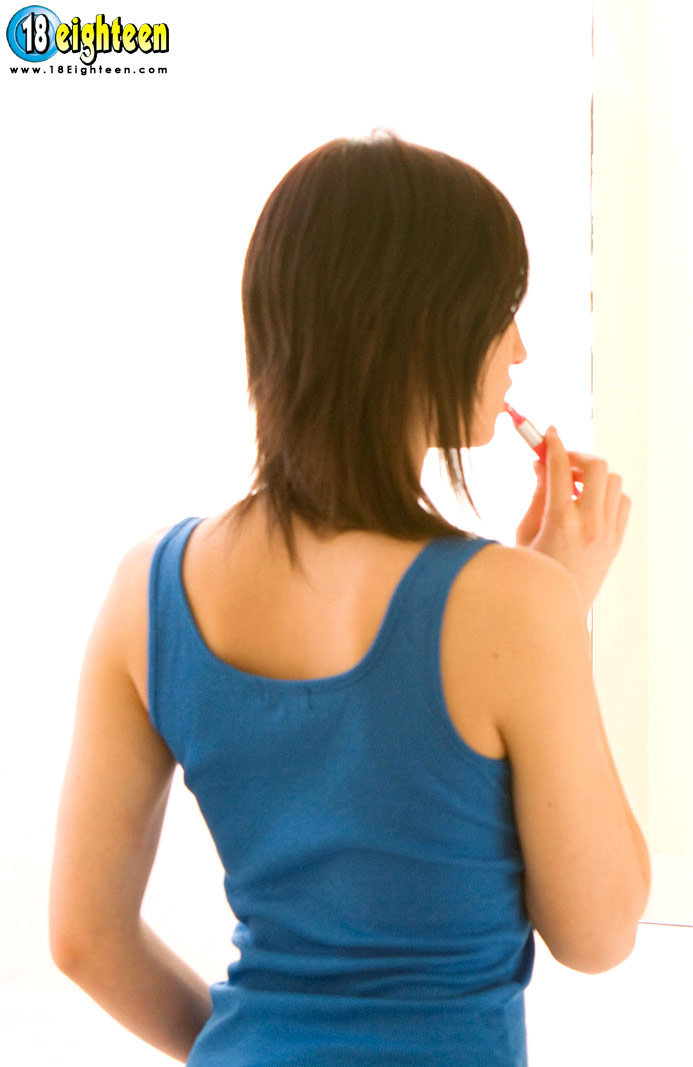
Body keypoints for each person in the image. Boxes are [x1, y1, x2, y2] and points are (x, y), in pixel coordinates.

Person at [48, 133, 650, 1064]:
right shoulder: (518, 603)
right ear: (420, 330)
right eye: (501, 314)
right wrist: (559, 613)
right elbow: (598, 933)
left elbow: (84, 938)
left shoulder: (146, 590)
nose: (519, 350)